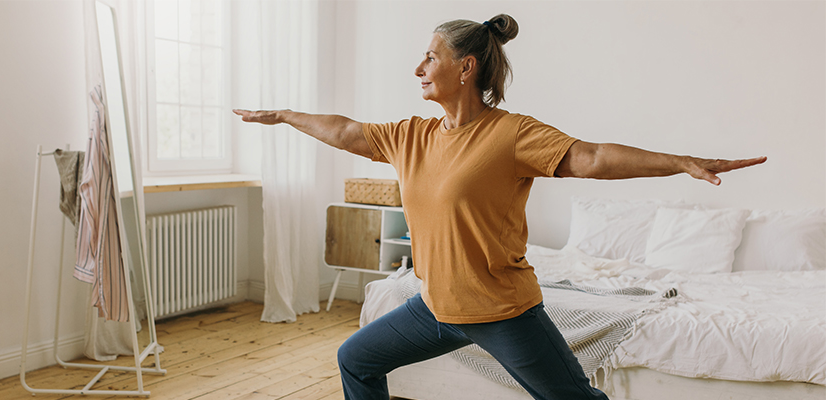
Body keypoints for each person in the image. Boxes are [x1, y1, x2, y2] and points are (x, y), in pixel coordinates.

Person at [234, 14, 766, 400]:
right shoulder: (410, 136)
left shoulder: (511, 134)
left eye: (430, 57)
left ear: (465, 68)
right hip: (435, 308)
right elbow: (347, 131)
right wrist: (282, 115)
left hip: (504, 312)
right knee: (355, 360)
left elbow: (592, 157)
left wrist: (681, 160)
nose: (418, 67)